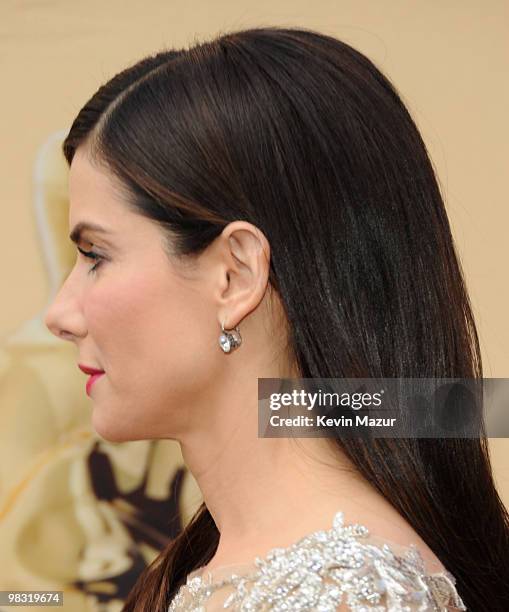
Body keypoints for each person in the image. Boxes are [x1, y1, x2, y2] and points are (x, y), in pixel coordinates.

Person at [43, 26, 509, 611]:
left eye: (94, 257)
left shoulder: (350, 595)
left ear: (235, 276)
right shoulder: (216, 569)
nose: (60, 315)